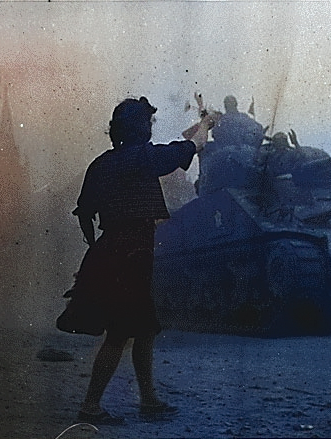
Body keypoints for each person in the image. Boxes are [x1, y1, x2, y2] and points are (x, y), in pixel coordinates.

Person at [70, 96, 216, 425]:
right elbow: (191, 147)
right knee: (121, 333)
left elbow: (84, 213)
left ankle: (149, 399)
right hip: (133, 253)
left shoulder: (100, 164)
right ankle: (90, 407)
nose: (151, 128)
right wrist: (205, 125)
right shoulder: (145, 158)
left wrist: (97, 247)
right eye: (148, 123)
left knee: (144, 328)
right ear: (139, 128)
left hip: (111, 250)